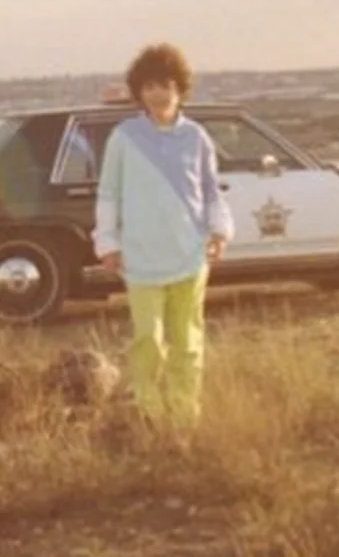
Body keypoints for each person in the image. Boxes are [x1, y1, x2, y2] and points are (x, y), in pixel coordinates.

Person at [92, 43, 234, 444]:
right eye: (150, 86)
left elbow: (211, 191)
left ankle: (183, 423)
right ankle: (151, 417)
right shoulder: (125, 137)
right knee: (149, 341)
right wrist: (108, 243)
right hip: (141, 260)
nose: (158, 94)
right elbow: (109, 193)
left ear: (180, 89)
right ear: (139, 91)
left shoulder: (196, 137)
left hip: (190, 257)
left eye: (166, 85)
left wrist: (219, 231)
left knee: (187, 342)